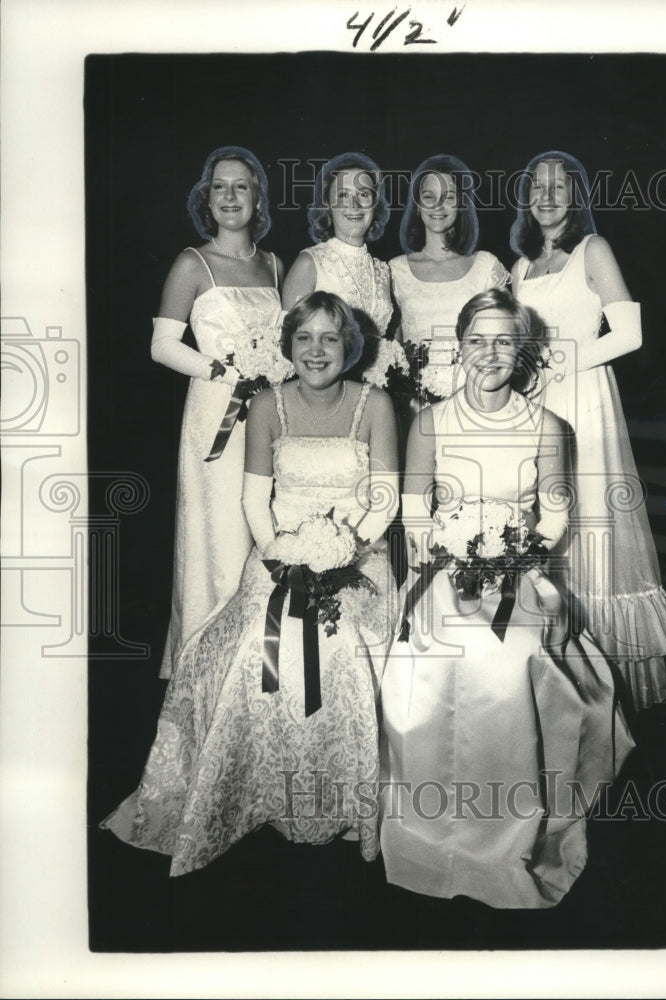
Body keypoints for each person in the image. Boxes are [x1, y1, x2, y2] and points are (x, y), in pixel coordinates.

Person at [102, 292, 399, 875]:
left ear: (350, 347)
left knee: (349, 653)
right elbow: (252, 499)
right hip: (279, 555)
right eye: (305, 338)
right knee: (246, 654)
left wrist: (342, 550)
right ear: (289, 345)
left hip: (359, 557)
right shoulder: (266, 404)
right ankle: (258, 790)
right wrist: (283, 553)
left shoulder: (377, 404)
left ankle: (345, 802)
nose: (317, 351)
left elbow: (384, 498)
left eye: (331, 339)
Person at [380, 288, 634, 909]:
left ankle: (506, 833)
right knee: (423, 669)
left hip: (518, 576)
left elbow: (554, 517)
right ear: (459, 347)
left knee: (506, 665)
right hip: (447, 571)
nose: (489, 353)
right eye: (477, 341)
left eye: (503, 341)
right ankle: (429, 830)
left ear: (520, 349)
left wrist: (511, 555)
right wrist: (452, 553)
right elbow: (414, 515)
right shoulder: (431, 421)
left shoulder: (548, 426)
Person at [510, 150, 666, 711]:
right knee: (550, 526)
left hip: (584, 400)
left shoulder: (593, 249)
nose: (548, 194)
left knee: (593, 523)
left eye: (560, 185)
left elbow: (627, 332)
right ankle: (564, 690)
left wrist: (561, 361)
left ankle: (618, 692)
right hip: (538, 407)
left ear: (575, 195)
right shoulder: (521, 267)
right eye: (538, 185)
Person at [153, 145, 289, 679]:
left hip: (268, 416)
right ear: (206, 200)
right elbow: (163, 345)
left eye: (242, 186)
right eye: (220, 186)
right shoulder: (193, 262)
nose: (230, 196)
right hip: (216, 418)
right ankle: (206, 668)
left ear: (258, 199)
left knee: (265, 525)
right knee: (220, 536)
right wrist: (227, 371)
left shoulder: (275, 264)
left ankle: (259, 667)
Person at [389, 154, 510, 402]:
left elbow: (507, 341)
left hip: (477, 399)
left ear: (461, 204)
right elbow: (393, 351)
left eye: (449, 197)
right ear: (418, 205)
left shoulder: (486, 266)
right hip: (416, 405)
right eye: (429, 197)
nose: (438, 206)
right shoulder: (395, 270)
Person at [281, 152, 393, 349]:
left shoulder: (383, 271)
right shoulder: (309, 263)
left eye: (364, 194)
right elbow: (288, 345)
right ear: (328, 206)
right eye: (343, 195)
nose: (354, 205)